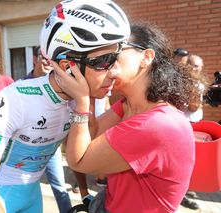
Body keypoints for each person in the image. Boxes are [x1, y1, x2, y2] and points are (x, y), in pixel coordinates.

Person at [0, 0, 130, 212]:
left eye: (116, 58)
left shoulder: (84, 99)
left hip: (33, 194)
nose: (115, 71)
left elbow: (79, 155)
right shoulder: (15, 99)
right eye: (104, 61)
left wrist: (84, 194)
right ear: (68, 67)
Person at [52, 22, 203, 212]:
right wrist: (90, 90)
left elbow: (80, 161)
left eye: (116, 51)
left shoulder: (157, 125)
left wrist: (82, 100)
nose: (104, 60)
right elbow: (92, 134)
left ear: (146, 57)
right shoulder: (128, 105)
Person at [23, 46, 72, 213]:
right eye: (42, 57)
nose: (46, 61)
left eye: (49, 58)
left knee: (59, 187)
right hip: (27, 147)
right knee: (28, 188)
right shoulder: (21, 86)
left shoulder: (64, 85)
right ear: (34, 59)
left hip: (51, 147)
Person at [181, 54, 207, 210]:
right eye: (191, 65)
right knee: (185, 159)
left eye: (197, 66)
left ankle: (186, 188)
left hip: (194, 123)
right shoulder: (185, 82)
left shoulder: (199, 84)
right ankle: (182, 193)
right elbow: (193, 106)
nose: (193, 68)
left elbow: (196, 106)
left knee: (191, 158)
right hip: (184, 124)